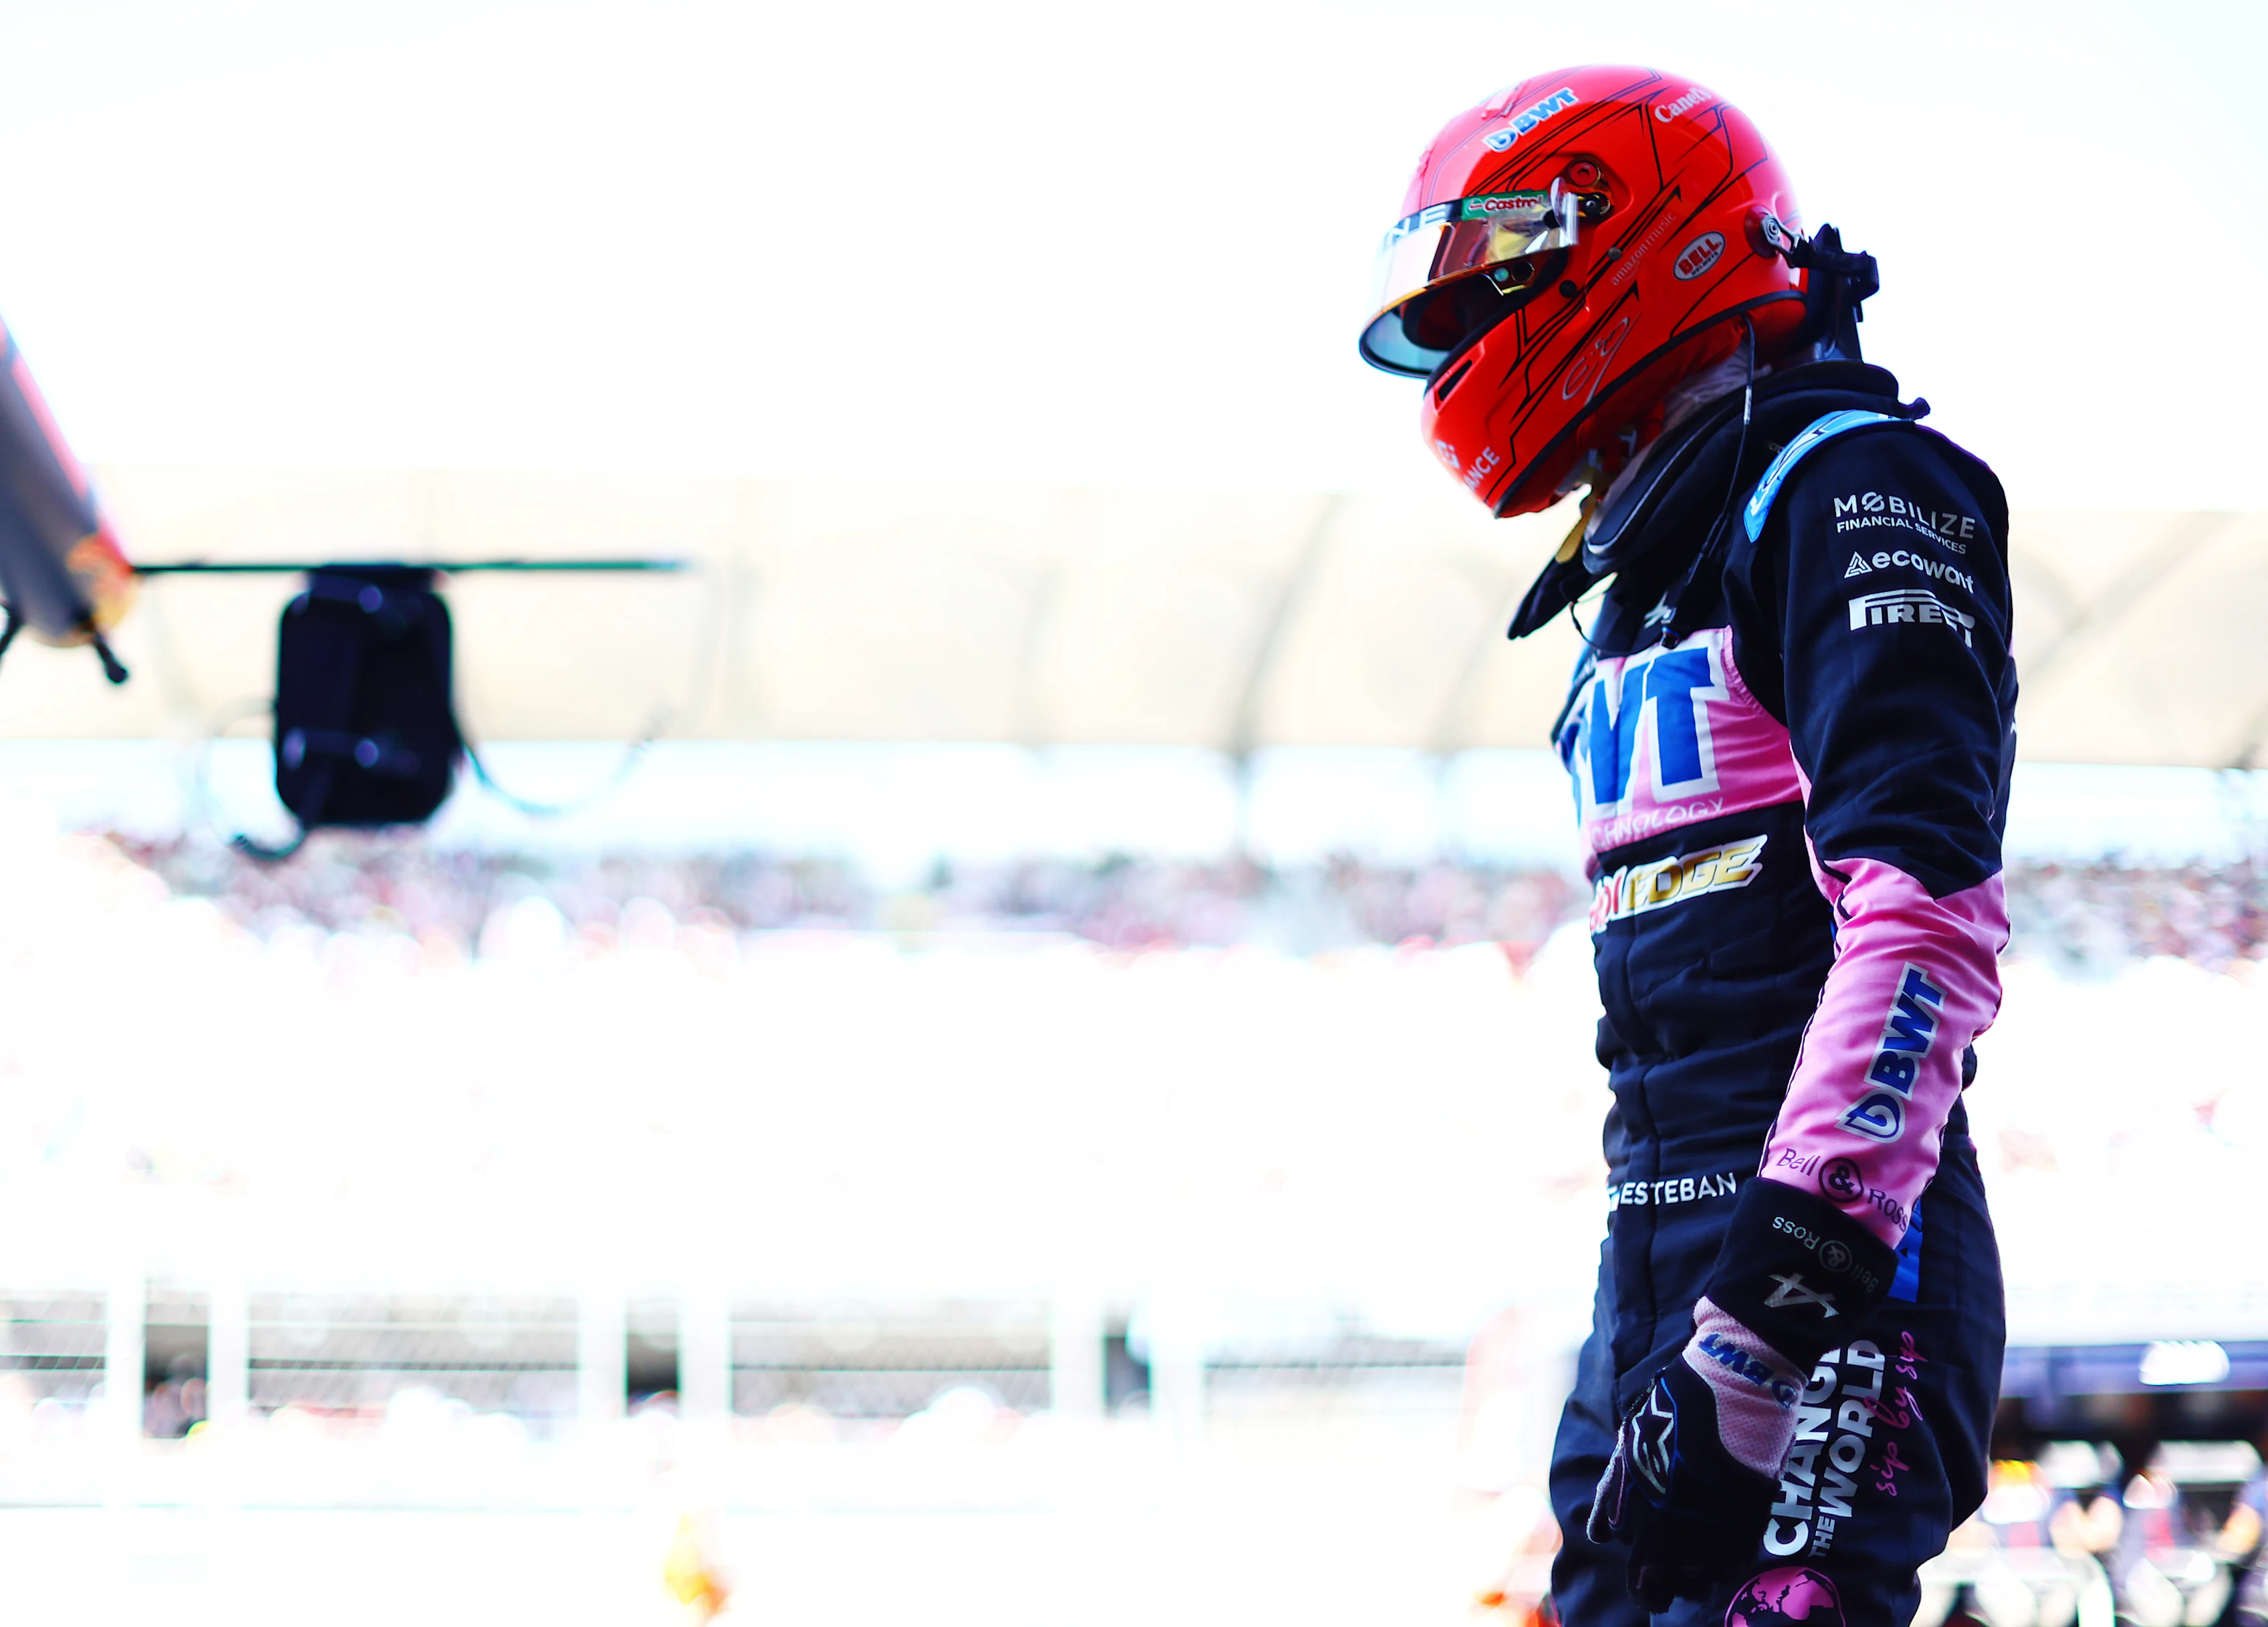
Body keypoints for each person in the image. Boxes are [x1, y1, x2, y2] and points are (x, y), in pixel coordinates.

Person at [1358, 67, 2015, 1627]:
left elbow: (1922, 925)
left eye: (1483, 294)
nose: (1459, 349)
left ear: (1630, 243)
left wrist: (1766, 1315)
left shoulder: (1851, 487)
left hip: (1832, 1272)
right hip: (1654, 1244)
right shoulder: (1651, 561)